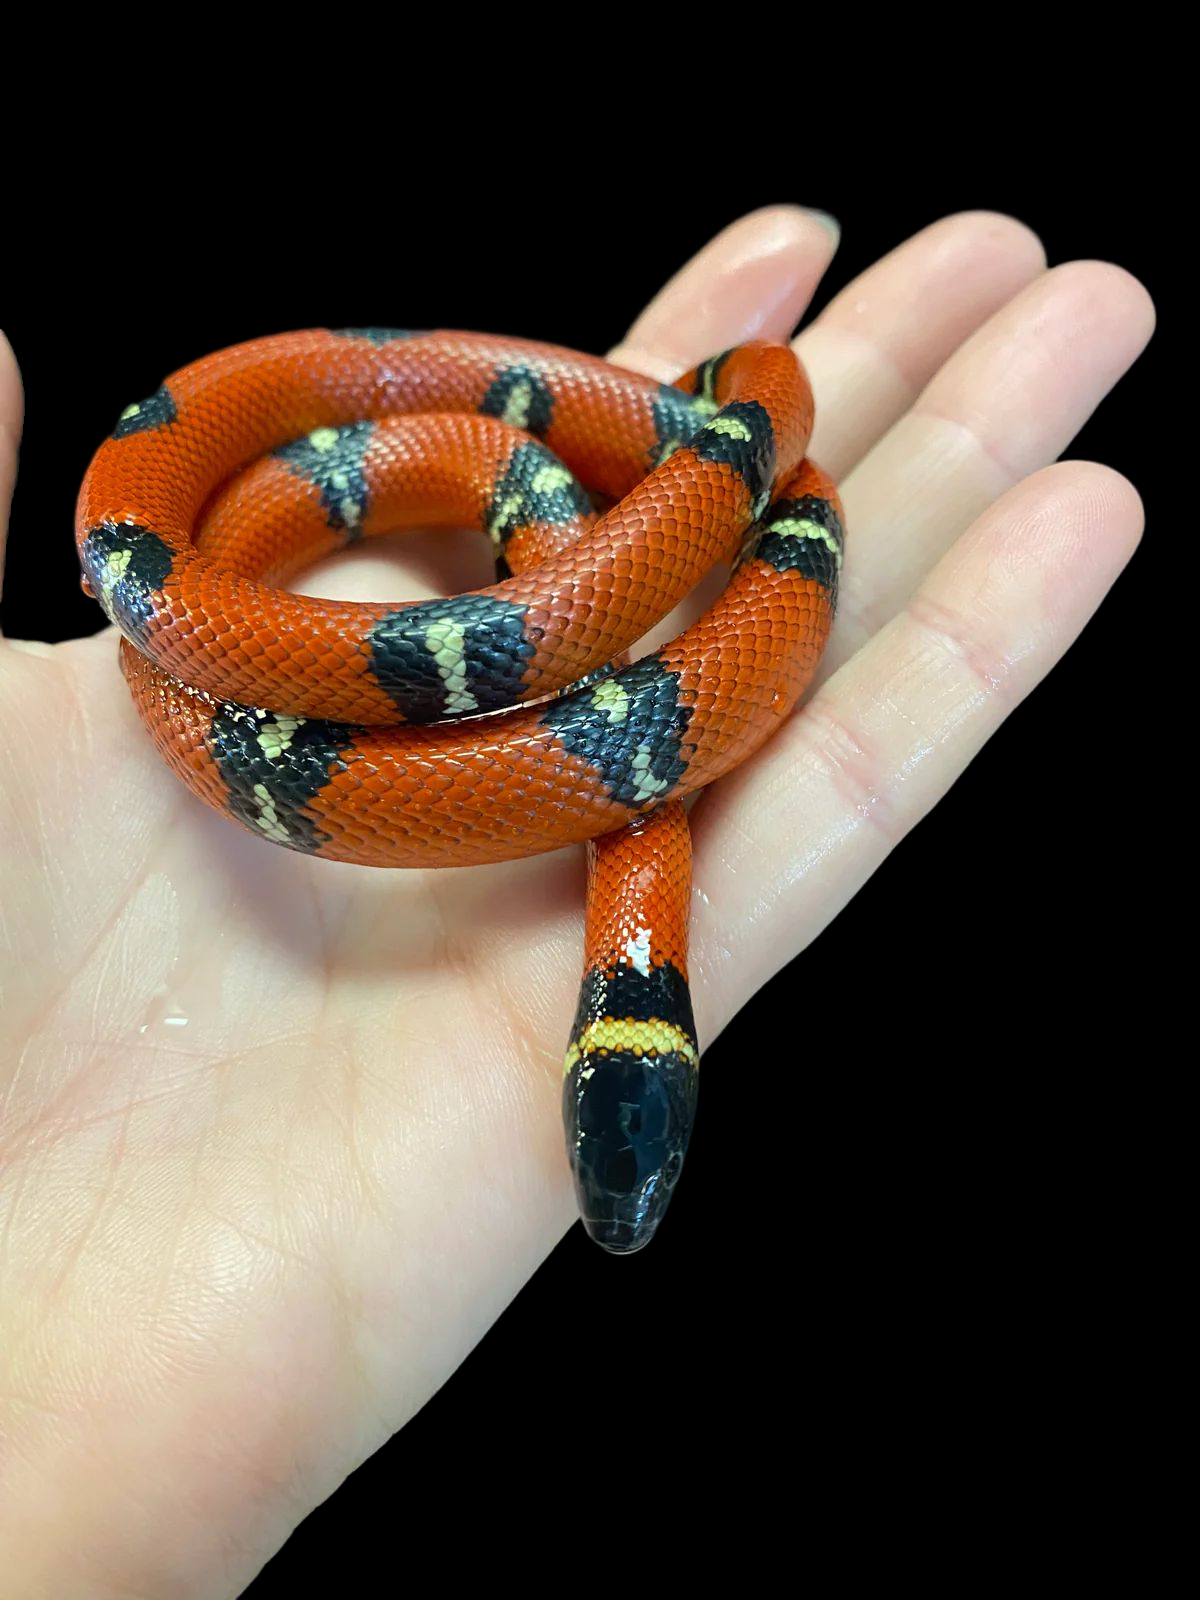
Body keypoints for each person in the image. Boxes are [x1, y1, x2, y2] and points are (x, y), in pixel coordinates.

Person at [0, 207, 1154, 1594]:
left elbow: (754, 402)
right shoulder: (199, 584)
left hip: (657, 486)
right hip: (586, 505)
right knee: (731, 493)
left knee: (749, 480)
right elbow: (740, 422)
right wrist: (687, 484)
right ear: (633, 1042)